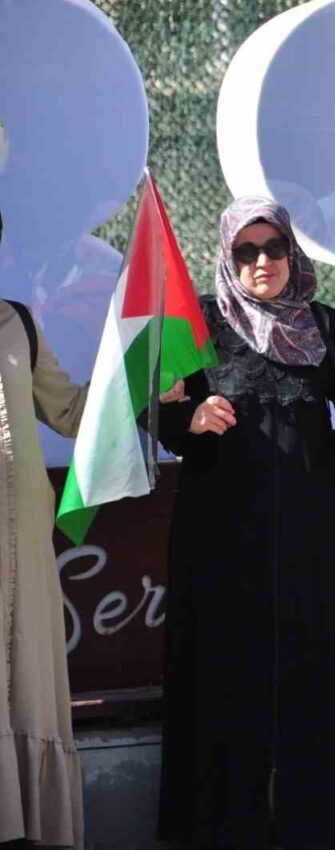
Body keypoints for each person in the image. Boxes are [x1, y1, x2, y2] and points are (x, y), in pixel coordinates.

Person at [154, 198, 335, 849]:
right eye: (246, 252)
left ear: (292, 252)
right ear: (228, 259)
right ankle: (227, 828)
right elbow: (152, 411)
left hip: (314, 536)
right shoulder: (198, 323)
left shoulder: (322, 322)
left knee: (316, 669)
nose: (262, 262)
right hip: (222, 537)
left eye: (274, 248)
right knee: (227, 673)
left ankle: (319, 824)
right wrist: (189, 418)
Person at [0, 210, 88, 848]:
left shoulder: (20, 324)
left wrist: (138, 382)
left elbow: (71, 411)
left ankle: (25, 827)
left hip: (24, 539)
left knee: (27, 673)